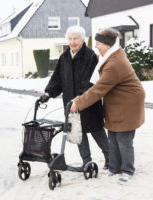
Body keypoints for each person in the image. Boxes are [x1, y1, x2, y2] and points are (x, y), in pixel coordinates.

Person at [70, 27, 145, 182]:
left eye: (98, 43)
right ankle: (114, 167)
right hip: (117, 102)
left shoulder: (114, 63)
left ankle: (127, 171)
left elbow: (98, 90)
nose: (95, 46)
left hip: (128, 103)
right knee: (113, 136)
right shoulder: (110, 56)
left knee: (124, 139)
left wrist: (78, 102)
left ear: (107, 44)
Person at [40, 25, 109, 170]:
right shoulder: (64, 57)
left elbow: (90, 82)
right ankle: (87, 162)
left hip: (89, 104)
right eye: (70, 39)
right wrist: (49, 93)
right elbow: (57, 79)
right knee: (79, 133)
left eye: (76, 39)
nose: (72, 42)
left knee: (97, 132)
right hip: (70, 105)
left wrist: (79, 98)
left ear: (82, 39)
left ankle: (111, 159)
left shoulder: (90, 56)